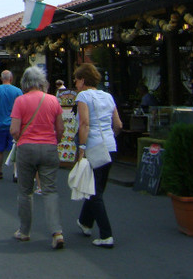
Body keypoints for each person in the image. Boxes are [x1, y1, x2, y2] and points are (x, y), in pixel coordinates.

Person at [10, 66, 65, 249]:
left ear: (25, 83)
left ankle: (24, 231)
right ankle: (56, 232)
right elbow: (60, 129)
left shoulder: (20, 101)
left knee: (25, 191)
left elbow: (14, 130)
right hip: (49, 147)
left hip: (26, 148)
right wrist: (54, 141)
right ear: (43, 82)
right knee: (50, 190)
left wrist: (20, 139)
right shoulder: (53, 100)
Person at [74, 63, 123, 249]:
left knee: (94, 192)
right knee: (97, 187)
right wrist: (111, 138)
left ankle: (106, 234)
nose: (76, 84)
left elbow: (84, 123)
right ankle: (85, 222)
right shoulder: (108, 96)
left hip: (93, 145)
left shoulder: (83, 96)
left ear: (83, 80)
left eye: (77, 80)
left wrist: (82, 148)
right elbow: (118, 124)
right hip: (110, 145)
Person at [0, 70, 23, 181]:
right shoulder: (18, 91)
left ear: (1, 78)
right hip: (14, 124)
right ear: (11, 79)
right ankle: (15, 172)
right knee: (15, 148)